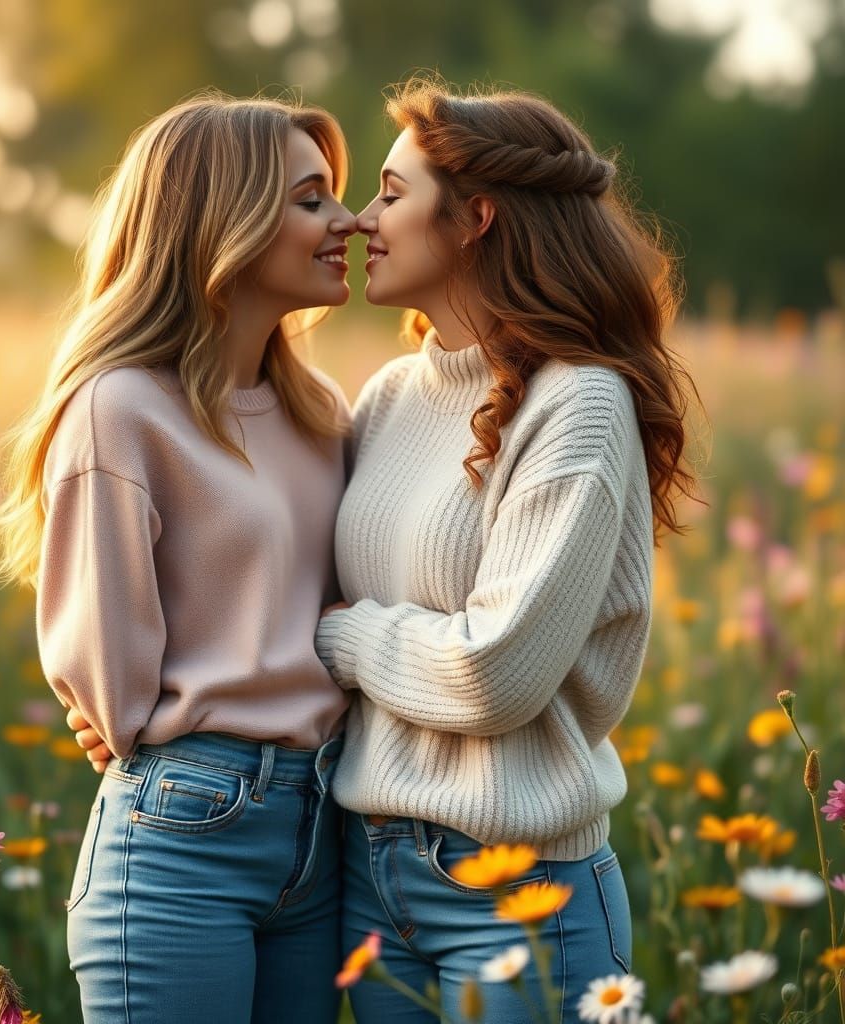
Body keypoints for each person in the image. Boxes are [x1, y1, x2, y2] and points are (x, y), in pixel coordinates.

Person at [315, 79, 697, 1023]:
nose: (362, 220)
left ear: (476, 218)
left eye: (392, 195)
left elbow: (497, 674)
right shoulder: (388, 396)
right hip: (370, 877)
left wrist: (346, 638)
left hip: (522, 892)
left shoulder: (580, 403)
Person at [0, 92, 357, 1024]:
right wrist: (152, 734)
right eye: (311, 200)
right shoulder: (121, 410)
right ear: (223, 224)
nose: (348, 221)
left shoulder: (323, 412)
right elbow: (107, 685)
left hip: (323, 829)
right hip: (186, 840)